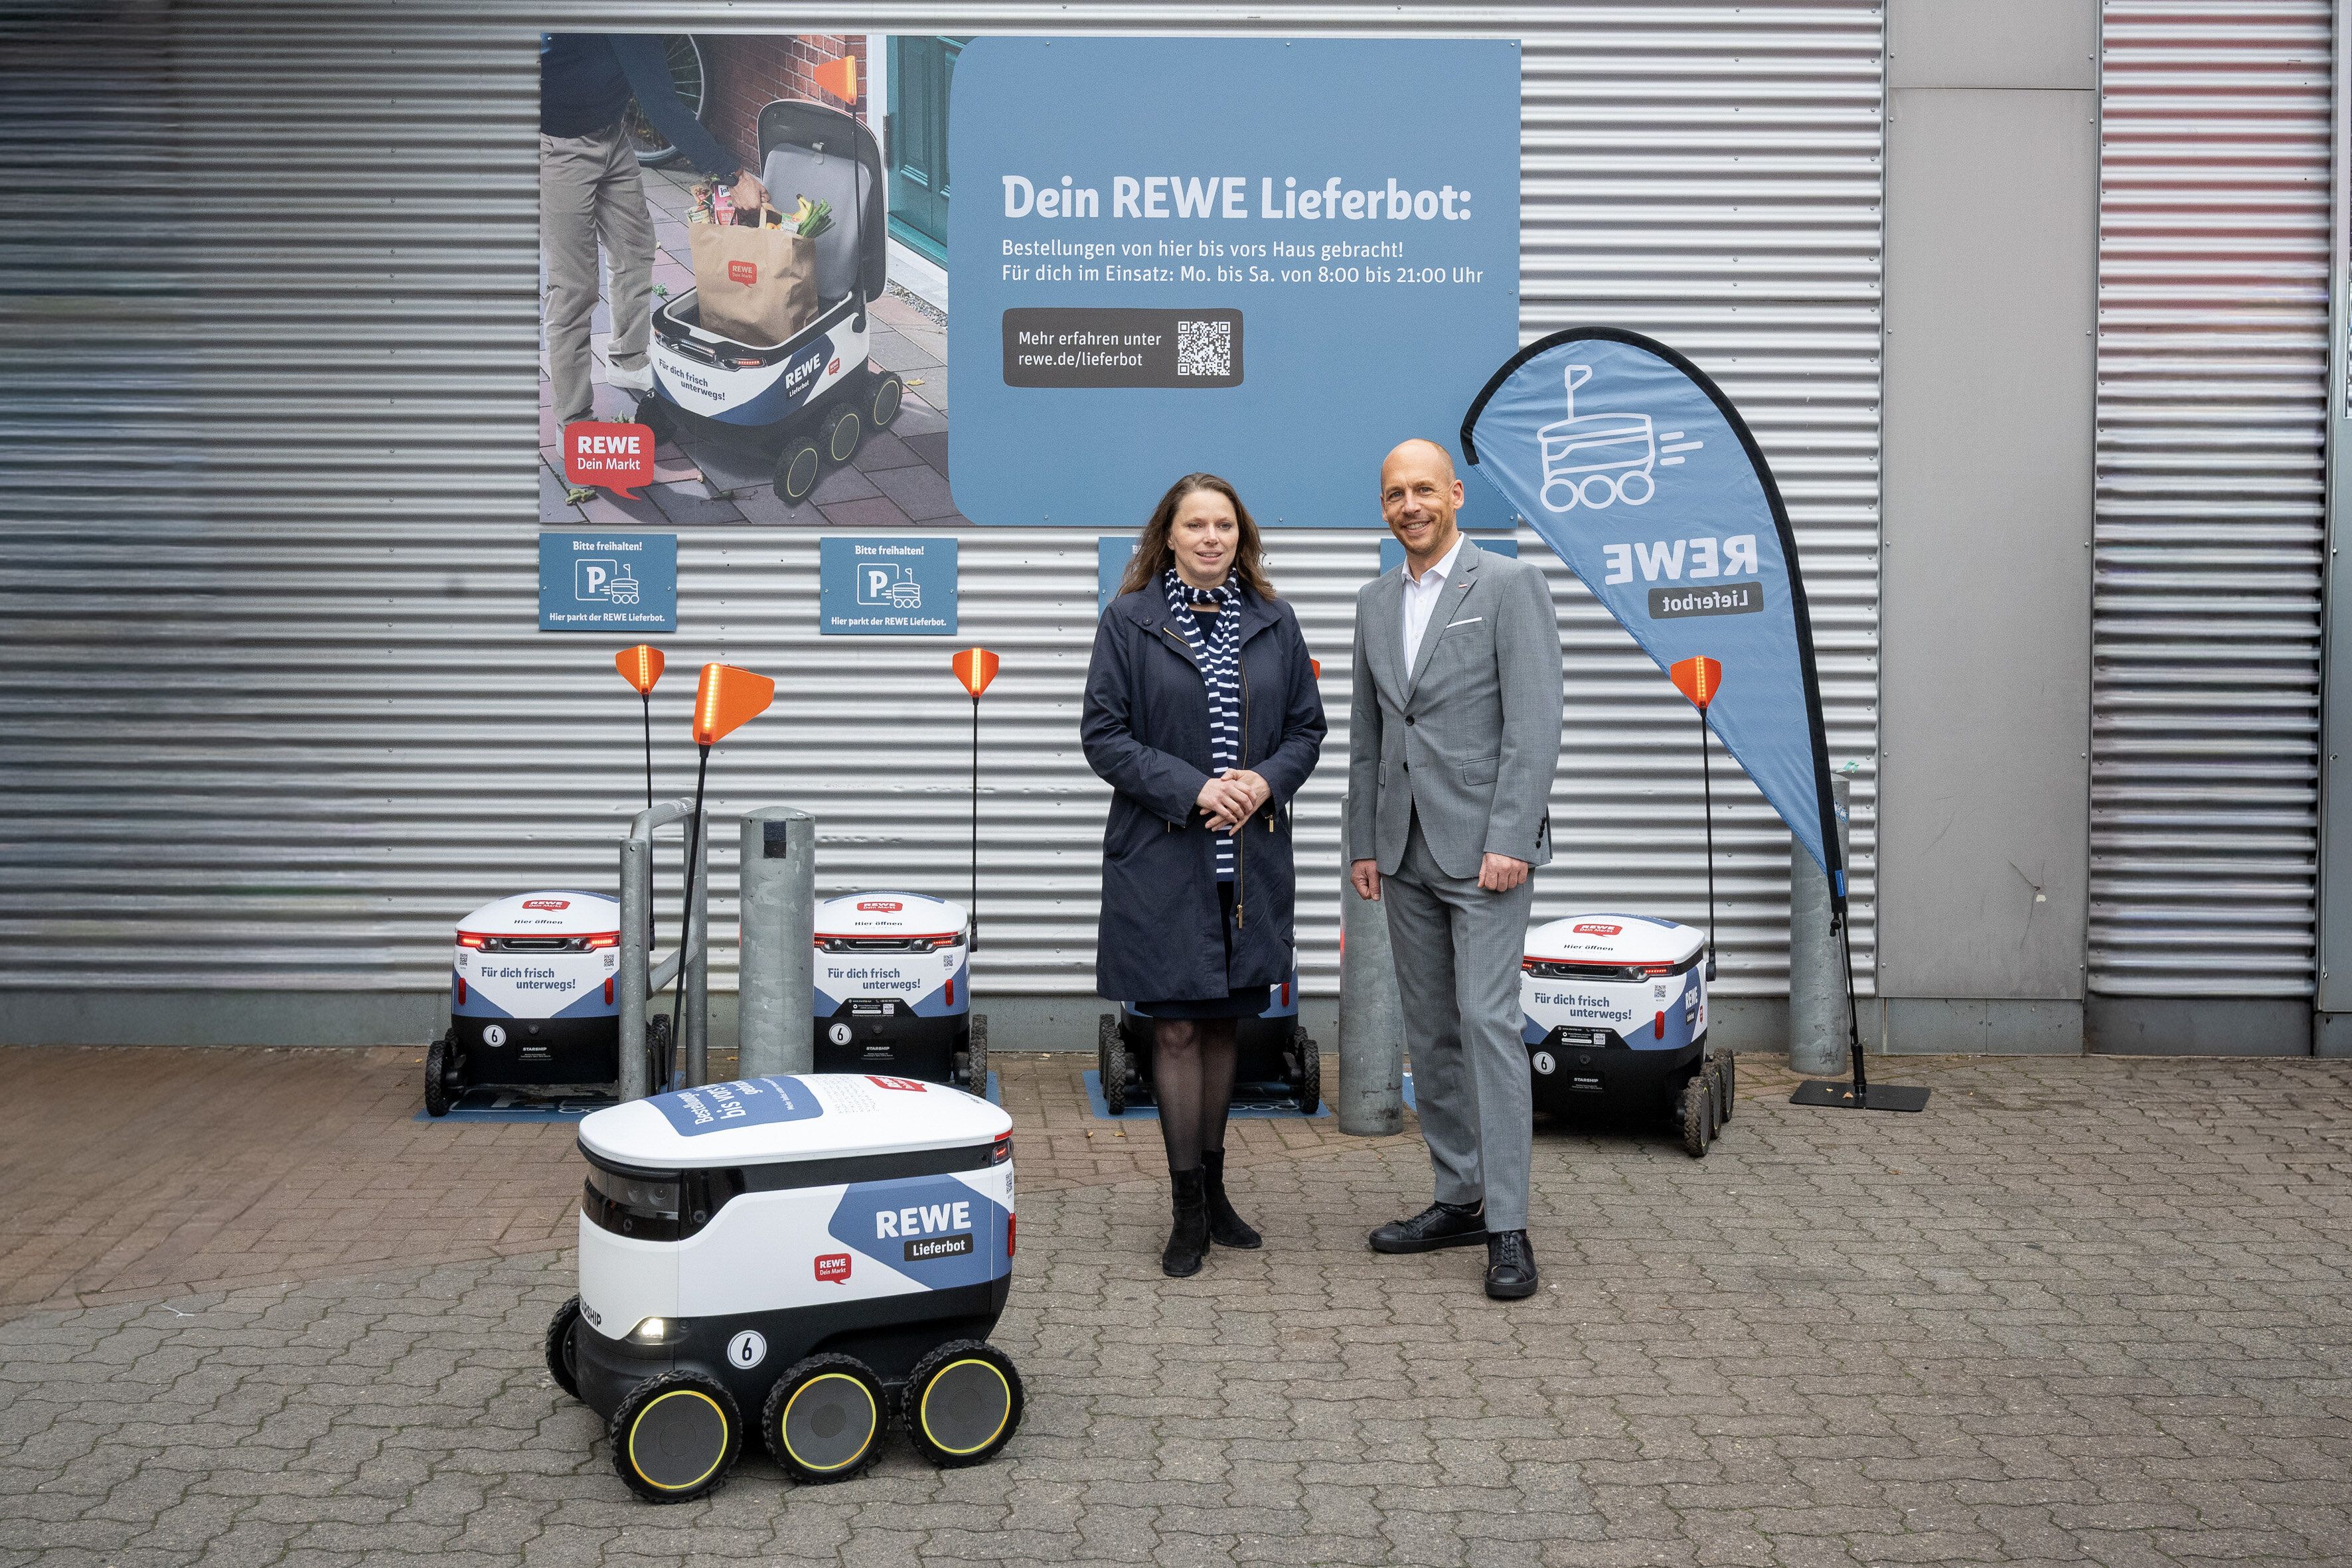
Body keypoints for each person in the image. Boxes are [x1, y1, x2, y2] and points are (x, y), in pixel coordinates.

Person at [1082, 474, 1326, 1278]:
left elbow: (1305, 728)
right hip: (1165, 856)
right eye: (1197, 525)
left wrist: (1263, 781)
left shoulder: (1273, 620)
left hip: (1248, 863)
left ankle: (1218, 1192)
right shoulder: (1130, 621)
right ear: (1170, 536)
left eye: (1225, 524)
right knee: (1179, 1026)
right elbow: (1105, 736)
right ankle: (1186, 1210)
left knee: (1226, 1024)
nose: (1212, 537)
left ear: (1241, 536)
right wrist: (1193, 787)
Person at [1347, 438, 1563, 1300]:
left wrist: (1510, 834)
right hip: (1400, 848)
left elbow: (1534, 718)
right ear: (1385, 503)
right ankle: (1457, 1194)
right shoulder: (1371, 601)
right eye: (1395, 492)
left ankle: (1507, 1224)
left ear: (1454, 493)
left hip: (1484, 854)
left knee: (1486, 1023)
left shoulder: (1506, 586)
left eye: (1423, 489)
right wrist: (1362, 843)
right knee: (1430, 1029)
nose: (1410, 504)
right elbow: (1369, 733)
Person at [540, 34, 769, 431]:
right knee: (574, 287)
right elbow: (663, 106)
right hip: (559, 149)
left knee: (636, 248)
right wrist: (735, 176)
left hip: (611, 138)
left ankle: (628, 361)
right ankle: (574, 420)